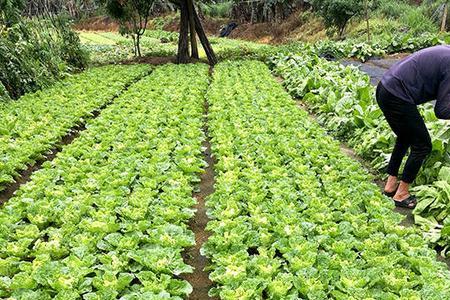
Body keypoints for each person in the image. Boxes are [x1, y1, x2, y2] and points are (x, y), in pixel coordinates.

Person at [376, 45, 450, 209]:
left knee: (405, 137)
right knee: (422, 145)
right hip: (397, 95)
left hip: (384, 88)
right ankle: (401, 194)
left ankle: (390, 185)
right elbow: (442, 111)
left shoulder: (447, 53)